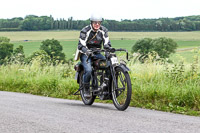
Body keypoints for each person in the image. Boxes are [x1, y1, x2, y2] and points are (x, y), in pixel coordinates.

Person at [74, 13, 114, 97]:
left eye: (99, 23)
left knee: (108, 64)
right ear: (91, 22)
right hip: (85, 53)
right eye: (95, 23)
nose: (97, 24)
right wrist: (87, 52)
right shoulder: (85, 30)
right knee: (88, 70)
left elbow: (106, 43)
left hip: (97, 52)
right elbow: (81, 45)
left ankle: (104, 84)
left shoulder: (103, 30)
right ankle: (86, 88)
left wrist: (108, 51)